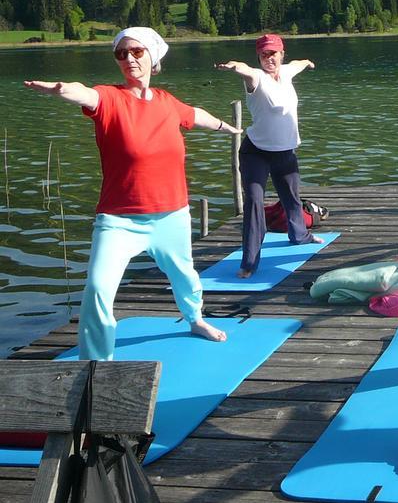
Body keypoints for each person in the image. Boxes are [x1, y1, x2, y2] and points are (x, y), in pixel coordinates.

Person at [24, 27, 239, 360]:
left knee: (185, 277)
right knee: (97, 288)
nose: (128, 59)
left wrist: (228, 128)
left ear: (152, 56)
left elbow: (197, 116)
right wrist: (61, 89)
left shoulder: (168, 102)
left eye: (136, 52)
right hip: (118, 220)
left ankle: (195, 319)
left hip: (172, 215)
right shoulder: (110, 98)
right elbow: (84, 94)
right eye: (121, 54)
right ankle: (96, 363)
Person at [215, 34, 321, 279]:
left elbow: (299, 63)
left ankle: (300, 236)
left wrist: (308, 62)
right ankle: (249, 262)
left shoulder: (286, 72)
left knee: (292, 199)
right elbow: (245, 70)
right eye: (264, 54)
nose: (269, 58)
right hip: (256, 152)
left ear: (281, 54)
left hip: (284, 152)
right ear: (258, 57)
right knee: (254, 201)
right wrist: (234, 67)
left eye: (273, 53)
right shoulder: (256, 78)